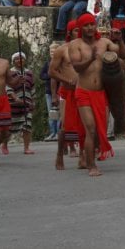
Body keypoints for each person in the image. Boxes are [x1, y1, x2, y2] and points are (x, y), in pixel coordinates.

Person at [69, 13, 125, 176]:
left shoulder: (104, 42)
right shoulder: (75, 44)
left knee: (98, 131)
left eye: (91, 24)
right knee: (90, 128)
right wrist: (90, 58)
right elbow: (76, 67)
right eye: (86, 25)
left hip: (100, 93)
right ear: (81, 28)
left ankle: (89, 155)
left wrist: (119, 39)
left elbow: (124, 55)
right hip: (83, 92)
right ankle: (92, 166)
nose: (89, 28)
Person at [49, 20, 82, 170]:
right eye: (76, 30)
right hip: (67, 92)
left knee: (86, 124)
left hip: (84, 91)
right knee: (65, 125)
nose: (79, 32)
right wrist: (67, 80)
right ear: (69, 33)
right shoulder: (62, 50)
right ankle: (59, 155)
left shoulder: (87, 48)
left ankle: (83, 156)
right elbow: (52, 72)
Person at [0, 34, 24, 167]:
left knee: (6, 132)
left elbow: (10, 82)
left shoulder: (4, 63)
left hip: (3, 99)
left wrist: (18, 80)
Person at [3, 52, 35, 155]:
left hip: (27, 104)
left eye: (21, 59)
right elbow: (7, 87)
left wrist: (33, 101)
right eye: (16, 59)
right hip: (13, 104)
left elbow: (32, 87)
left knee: (27, 125)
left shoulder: (29, 72)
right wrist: (15, 98)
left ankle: (26, 148)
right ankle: (5, 145)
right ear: (13, 61)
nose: (19, 61)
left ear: (25, 60)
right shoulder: (10, 73)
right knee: (10, 127)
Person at [41, 43, 60, 141]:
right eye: (51, 51)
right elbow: (42, 75)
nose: (52, 53)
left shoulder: (61, 63)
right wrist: (50, 75)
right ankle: (52, 132)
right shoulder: (47, 63)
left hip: (60, 91)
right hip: (49, 92)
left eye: (54, 51)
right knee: (51, 112)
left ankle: (59, 133)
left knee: (59, 113)